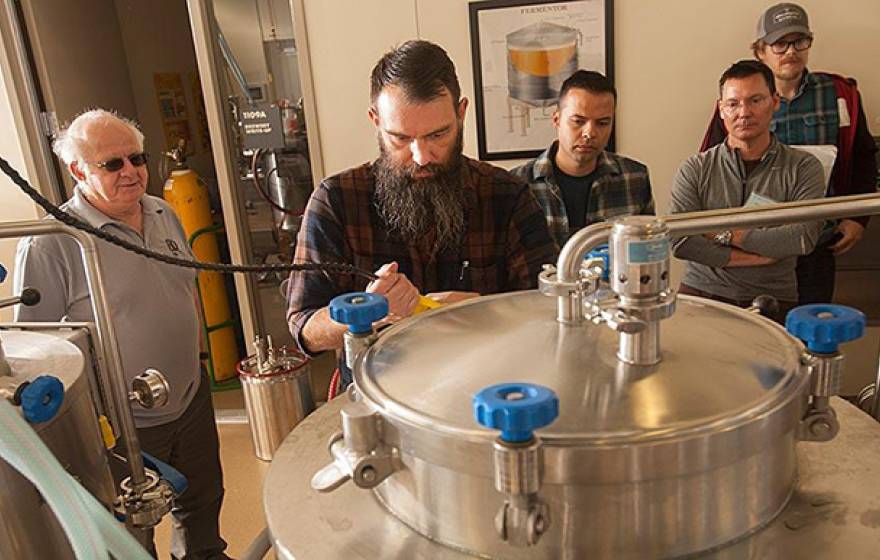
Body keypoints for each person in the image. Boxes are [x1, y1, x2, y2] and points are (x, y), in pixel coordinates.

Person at [13, 109, 229, 560]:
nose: (130, 172)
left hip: (189, 397)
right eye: (112, 164)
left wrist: (199, 363)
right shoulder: (54, 241)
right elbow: (38, 352)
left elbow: (182, 291)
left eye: (136, 158)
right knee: (130, 529)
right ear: (77, 170)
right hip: (119, 423)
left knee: (203, 502)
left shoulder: (162, 211)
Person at [286, 40, 557, 386]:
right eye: (400, 138)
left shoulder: (507, 196)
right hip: (376, 398)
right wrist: (364, 311)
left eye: (438, 134)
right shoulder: (336, 200)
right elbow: (303, 328)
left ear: (461, 113)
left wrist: (486, 312)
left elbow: (551, 310)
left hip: (485, 392)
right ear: (375, 121)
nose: (421, 156)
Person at [700, 3, 877, 304]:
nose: (790, 51)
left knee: (807, 332)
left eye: (799, 41)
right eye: (779, 43)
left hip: (818, 239)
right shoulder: (739, 103)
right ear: (760, 50)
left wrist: (858, 218)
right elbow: (712, 165)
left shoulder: (838, 94)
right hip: (754, 240)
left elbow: (863, 158)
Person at [671, 60, 826, 324]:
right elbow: (680, 241)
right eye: (733, 104)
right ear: (721, 110)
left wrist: (722, 233)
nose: (744, 112)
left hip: (774, 299)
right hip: (701, 294)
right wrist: (750, 257)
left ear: (775, 102)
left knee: (775, 367)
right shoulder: (695, 168)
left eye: (755, 100)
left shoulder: (803, 167)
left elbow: (802, 238)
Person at [510, 70, 654, 247]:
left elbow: (648, 252)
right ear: (556, 120)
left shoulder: (635, 178)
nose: (590, 133)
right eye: (578, 121)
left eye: (602, 123)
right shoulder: (517, 185)